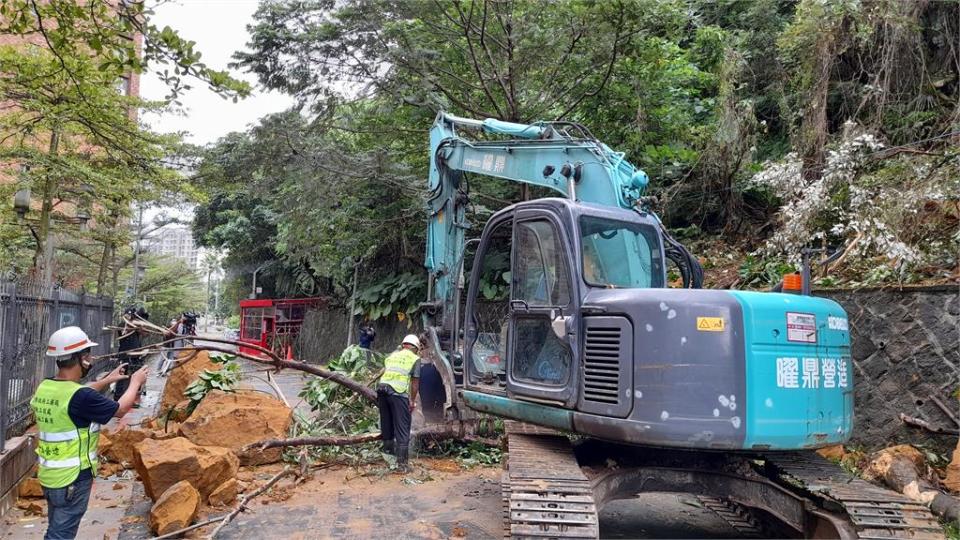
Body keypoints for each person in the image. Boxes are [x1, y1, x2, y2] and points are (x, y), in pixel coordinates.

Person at [30, 326, 148, 540]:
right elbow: (120, 410)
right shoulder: (80, 396)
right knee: (60, 536)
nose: (91, 359)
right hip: (73, 478)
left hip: (50, 477)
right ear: (82, 359)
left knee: (55, 530)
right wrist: (135, 383)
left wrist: (108, 380)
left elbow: (78, 395)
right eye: (88, 355)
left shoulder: (45, 387)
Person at [376, 334, 421, 471]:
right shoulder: (414, 358)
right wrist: (412, 401)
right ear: (416, 348)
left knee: (387, 426)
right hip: (398, 392)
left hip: (382, 390)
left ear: (403, 345)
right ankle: (402, 466)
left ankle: (388, 460)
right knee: (402, 428)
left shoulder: (392, 356)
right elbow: (414, 384)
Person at [113, 307, 149, 405]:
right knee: (122, 376)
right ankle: (118, 398)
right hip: (124, 354)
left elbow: (146, 334)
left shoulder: (137, 326)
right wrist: (131, 323)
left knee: (135, 377)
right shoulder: (122, 325)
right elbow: (124, 332)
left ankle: (133, 398)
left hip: (136, 355)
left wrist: (140, 326)